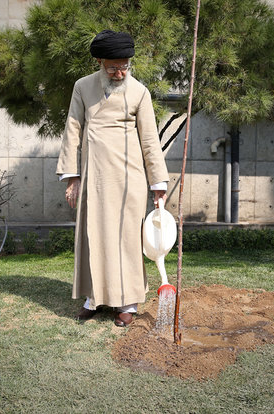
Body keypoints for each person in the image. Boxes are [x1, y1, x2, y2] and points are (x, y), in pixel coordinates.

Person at [56, 30, 169, 327]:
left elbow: (149, 140)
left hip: (128, 177)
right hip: (94, 175)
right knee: (94, 235)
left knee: (126, 240)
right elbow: (72, 130)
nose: (119, 73)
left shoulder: (139, 92)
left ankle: (127, 303)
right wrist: (72, 177)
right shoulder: (82, 87)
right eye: (113, 67)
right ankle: (93, 298)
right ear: (99, 61)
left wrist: (158, 184)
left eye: (124, 66)